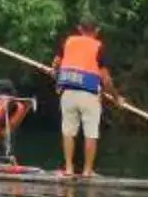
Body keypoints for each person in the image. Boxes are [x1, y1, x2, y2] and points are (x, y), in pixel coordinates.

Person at [52, 21, 121, 179]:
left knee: (68, 131)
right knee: (91, 133)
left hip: (68, 93)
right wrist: (116, 98)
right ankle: (87, 171)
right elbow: (106, 79)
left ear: (79, 29)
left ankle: (69, 169)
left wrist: (56, 74)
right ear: (97, 30)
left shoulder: (68, 42)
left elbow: (56, 63)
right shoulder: (98, 46)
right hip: (89, 95)